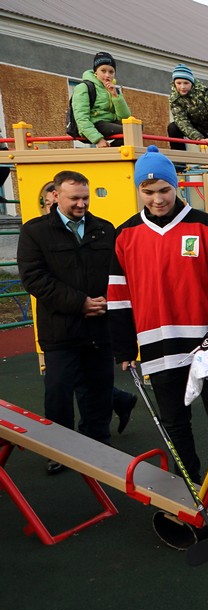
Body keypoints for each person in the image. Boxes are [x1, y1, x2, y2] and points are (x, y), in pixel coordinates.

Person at [107, 147, 208, 519]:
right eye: (148, 191)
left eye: (164, 190)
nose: (157, 199)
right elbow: (119, 299)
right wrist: (124, 347)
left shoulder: (207, 226)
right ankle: (192, 486)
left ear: (176, 187)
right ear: (139, 191)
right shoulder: (125, 235)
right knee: (175, 423)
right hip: (159, 350)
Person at [17, 170, 137, 474]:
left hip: (100, 325)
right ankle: (60, 450)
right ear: (56, 195)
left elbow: (119, 273)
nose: (82, 204)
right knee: (58, 390)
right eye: (75, 198)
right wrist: (79, 303)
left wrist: (108, 301)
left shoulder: (104, 229)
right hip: (60, 328)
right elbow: (34, 279)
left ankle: (97, 443)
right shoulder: (35, 232)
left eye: (85, 197)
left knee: (98, 387)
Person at [167, 63, 208, 185]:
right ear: (174, 83)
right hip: (193, 127)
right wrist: (200, 139)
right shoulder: (174, 98)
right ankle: (180, 161)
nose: (182, 87)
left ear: (192, 83)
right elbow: (181, 121)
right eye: (179, 83)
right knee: (173, 127)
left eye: (186, 83)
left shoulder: (202, 91)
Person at [71, 51, 131, 148]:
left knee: (135, 127)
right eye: (103, 71)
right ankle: (108, 151)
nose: (107, 75)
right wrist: (98, 139)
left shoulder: (113, 89)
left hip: (109, 124)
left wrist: (115, 96)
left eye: (111, 72)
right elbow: (81, 119)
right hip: (95, 124)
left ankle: (110, 149)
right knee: (128, 131)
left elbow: (125, 117)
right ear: (95, 72)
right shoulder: (84, 87)